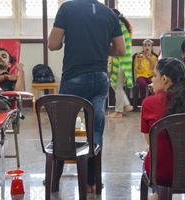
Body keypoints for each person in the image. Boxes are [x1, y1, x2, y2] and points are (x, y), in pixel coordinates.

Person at [48, 0, 125, 193]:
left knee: (63, 129)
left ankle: (54, 181)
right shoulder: (110, 14)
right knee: (95, 129)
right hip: (100, 78)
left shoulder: (67, 8)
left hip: (74, 76)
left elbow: (53, 44)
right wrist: (99, 49)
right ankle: (92, 182)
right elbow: (120, 50)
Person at [141, 57, 185, 200]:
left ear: (165, 79)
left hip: (162, 173)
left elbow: (151, 143)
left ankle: (157, 194)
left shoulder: (149, 103)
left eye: (155, 75)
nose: (152, 80)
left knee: (149, 158)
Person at [108, 8, 133, 118]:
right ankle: (127, 105)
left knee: (117, 85)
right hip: (124, 60)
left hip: (121, 60)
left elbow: (116, 44)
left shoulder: (118, 26)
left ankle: (118, 111)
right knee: (116, 84)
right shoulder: (124, 25)